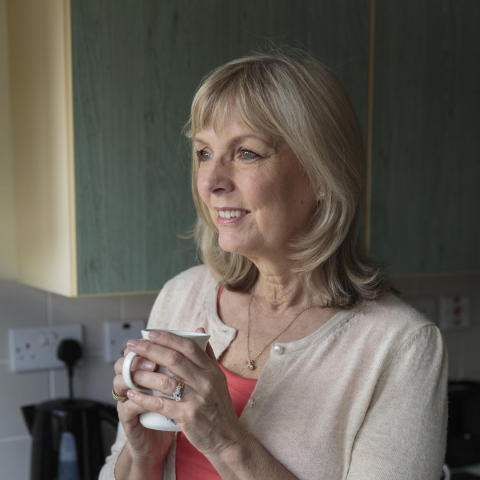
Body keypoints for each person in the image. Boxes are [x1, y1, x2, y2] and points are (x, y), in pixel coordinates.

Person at [100, 51, 448, 480]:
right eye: (204, 152)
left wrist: (227, 442)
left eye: (246, 153)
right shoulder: (182, 295)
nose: (211, 182)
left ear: (323, 174)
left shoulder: (401, 346)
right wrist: (143, 457)